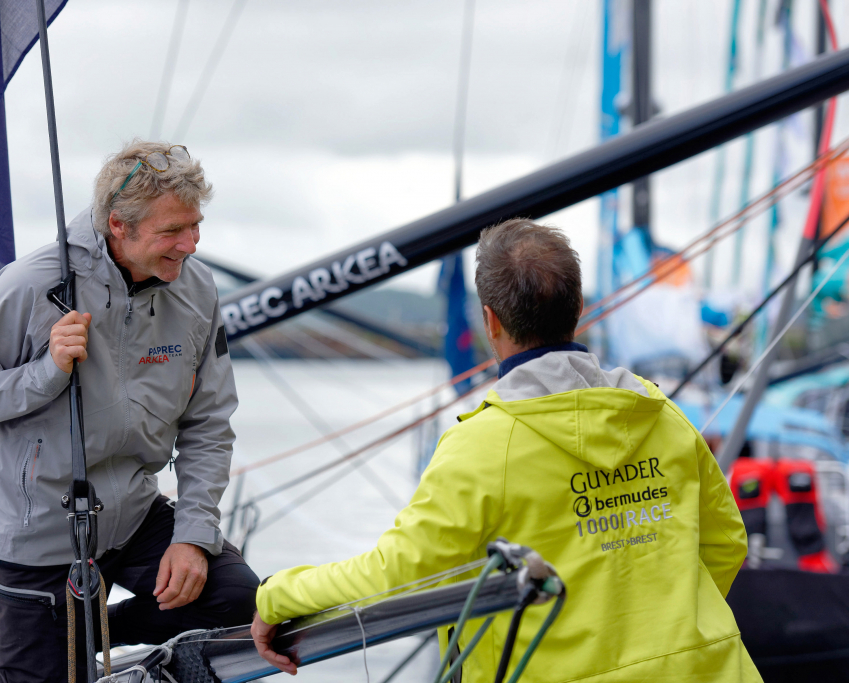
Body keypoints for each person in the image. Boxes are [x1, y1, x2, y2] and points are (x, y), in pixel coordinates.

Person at [252, 219, 762, 682]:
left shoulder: (482, 446)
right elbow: (726, 542)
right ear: (578, 308)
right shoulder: (660, 414)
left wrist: (277, 594)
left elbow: (399, 575)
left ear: (490, 321)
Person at [0, 140, 259, 683]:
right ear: (118, 225)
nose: (191, 244)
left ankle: (100, 628)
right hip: (39, 538)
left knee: (236, 598)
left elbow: (209, 423)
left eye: (195, 226)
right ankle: (74, 636)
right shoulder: (31, 284)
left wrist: (193, 535)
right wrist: (46, 372)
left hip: (133, 517)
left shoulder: (196, 287)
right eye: (173, 231)